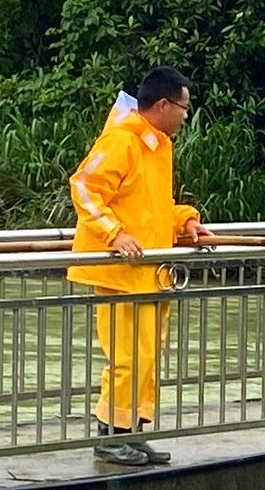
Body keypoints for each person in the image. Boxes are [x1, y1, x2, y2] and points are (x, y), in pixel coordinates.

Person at [68, 65, 210, 469]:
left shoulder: (156, 146)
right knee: (127, 356)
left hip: (150, 271)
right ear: (163, 105)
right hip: (120, 272)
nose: (185, 114)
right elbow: (84, 186)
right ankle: (111, 435)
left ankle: (133, 430)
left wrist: (184, 219)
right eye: (183, 106)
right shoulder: (122, 140)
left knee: (147, 356)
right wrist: (114, 233)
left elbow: (152, 207)